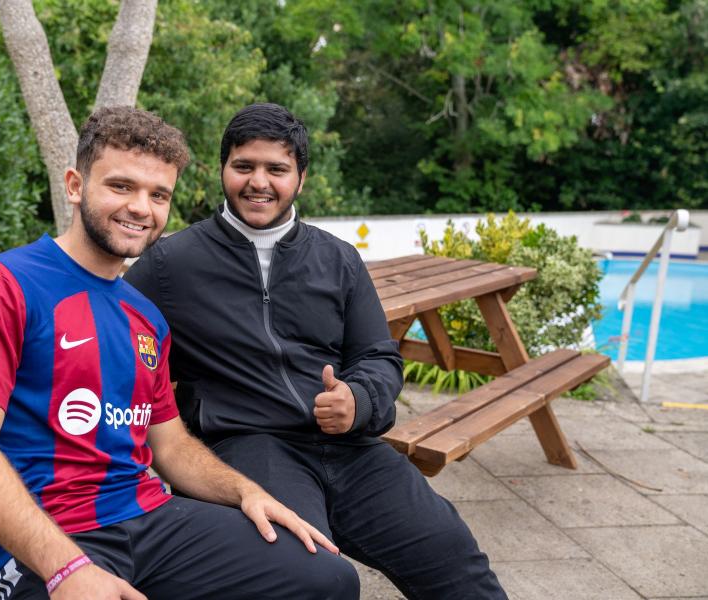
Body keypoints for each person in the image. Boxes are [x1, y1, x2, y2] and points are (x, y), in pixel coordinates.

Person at [0, 106, 360, 600]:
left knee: (327, 579)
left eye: (158, 195)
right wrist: (66, 568)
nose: (141, 208)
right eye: (121, 186)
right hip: (40, 542)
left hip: (149, 520)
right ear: (74, 185)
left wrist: (247, 492)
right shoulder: (1, 285)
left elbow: (170, 446)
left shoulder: (146, 316)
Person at [124, 102, 507, 599]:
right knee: (307, 572)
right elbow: (113, 343)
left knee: (451, 551)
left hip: (349, 447)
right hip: (247, 447)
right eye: (244, 166)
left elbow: (378, 356)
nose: (258, 182)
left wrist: (357, 401)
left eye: (276, 169)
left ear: (301, 178)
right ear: (223, 169)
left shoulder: (338, 258)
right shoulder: (170, 265)